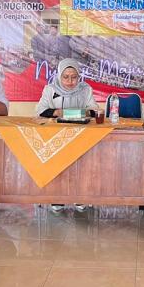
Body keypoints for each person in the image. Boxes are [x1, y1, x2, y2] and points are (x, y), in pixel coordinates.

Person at [36, 58, 98, 213]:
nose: (70, 81)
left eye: (74, 77)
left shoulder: (85, 89)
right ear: (59, 76)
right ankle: (58, 198)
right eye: (65, 77)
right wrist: (58, 112)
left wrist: (80, 113)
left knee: (81, 166)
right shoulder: (50, 89)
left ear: (79, 76)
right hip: (56, 136)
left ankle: (80, 196)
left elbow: (94, 110)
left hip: (80, 136)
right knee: (58, 167)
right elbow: (40, 111)